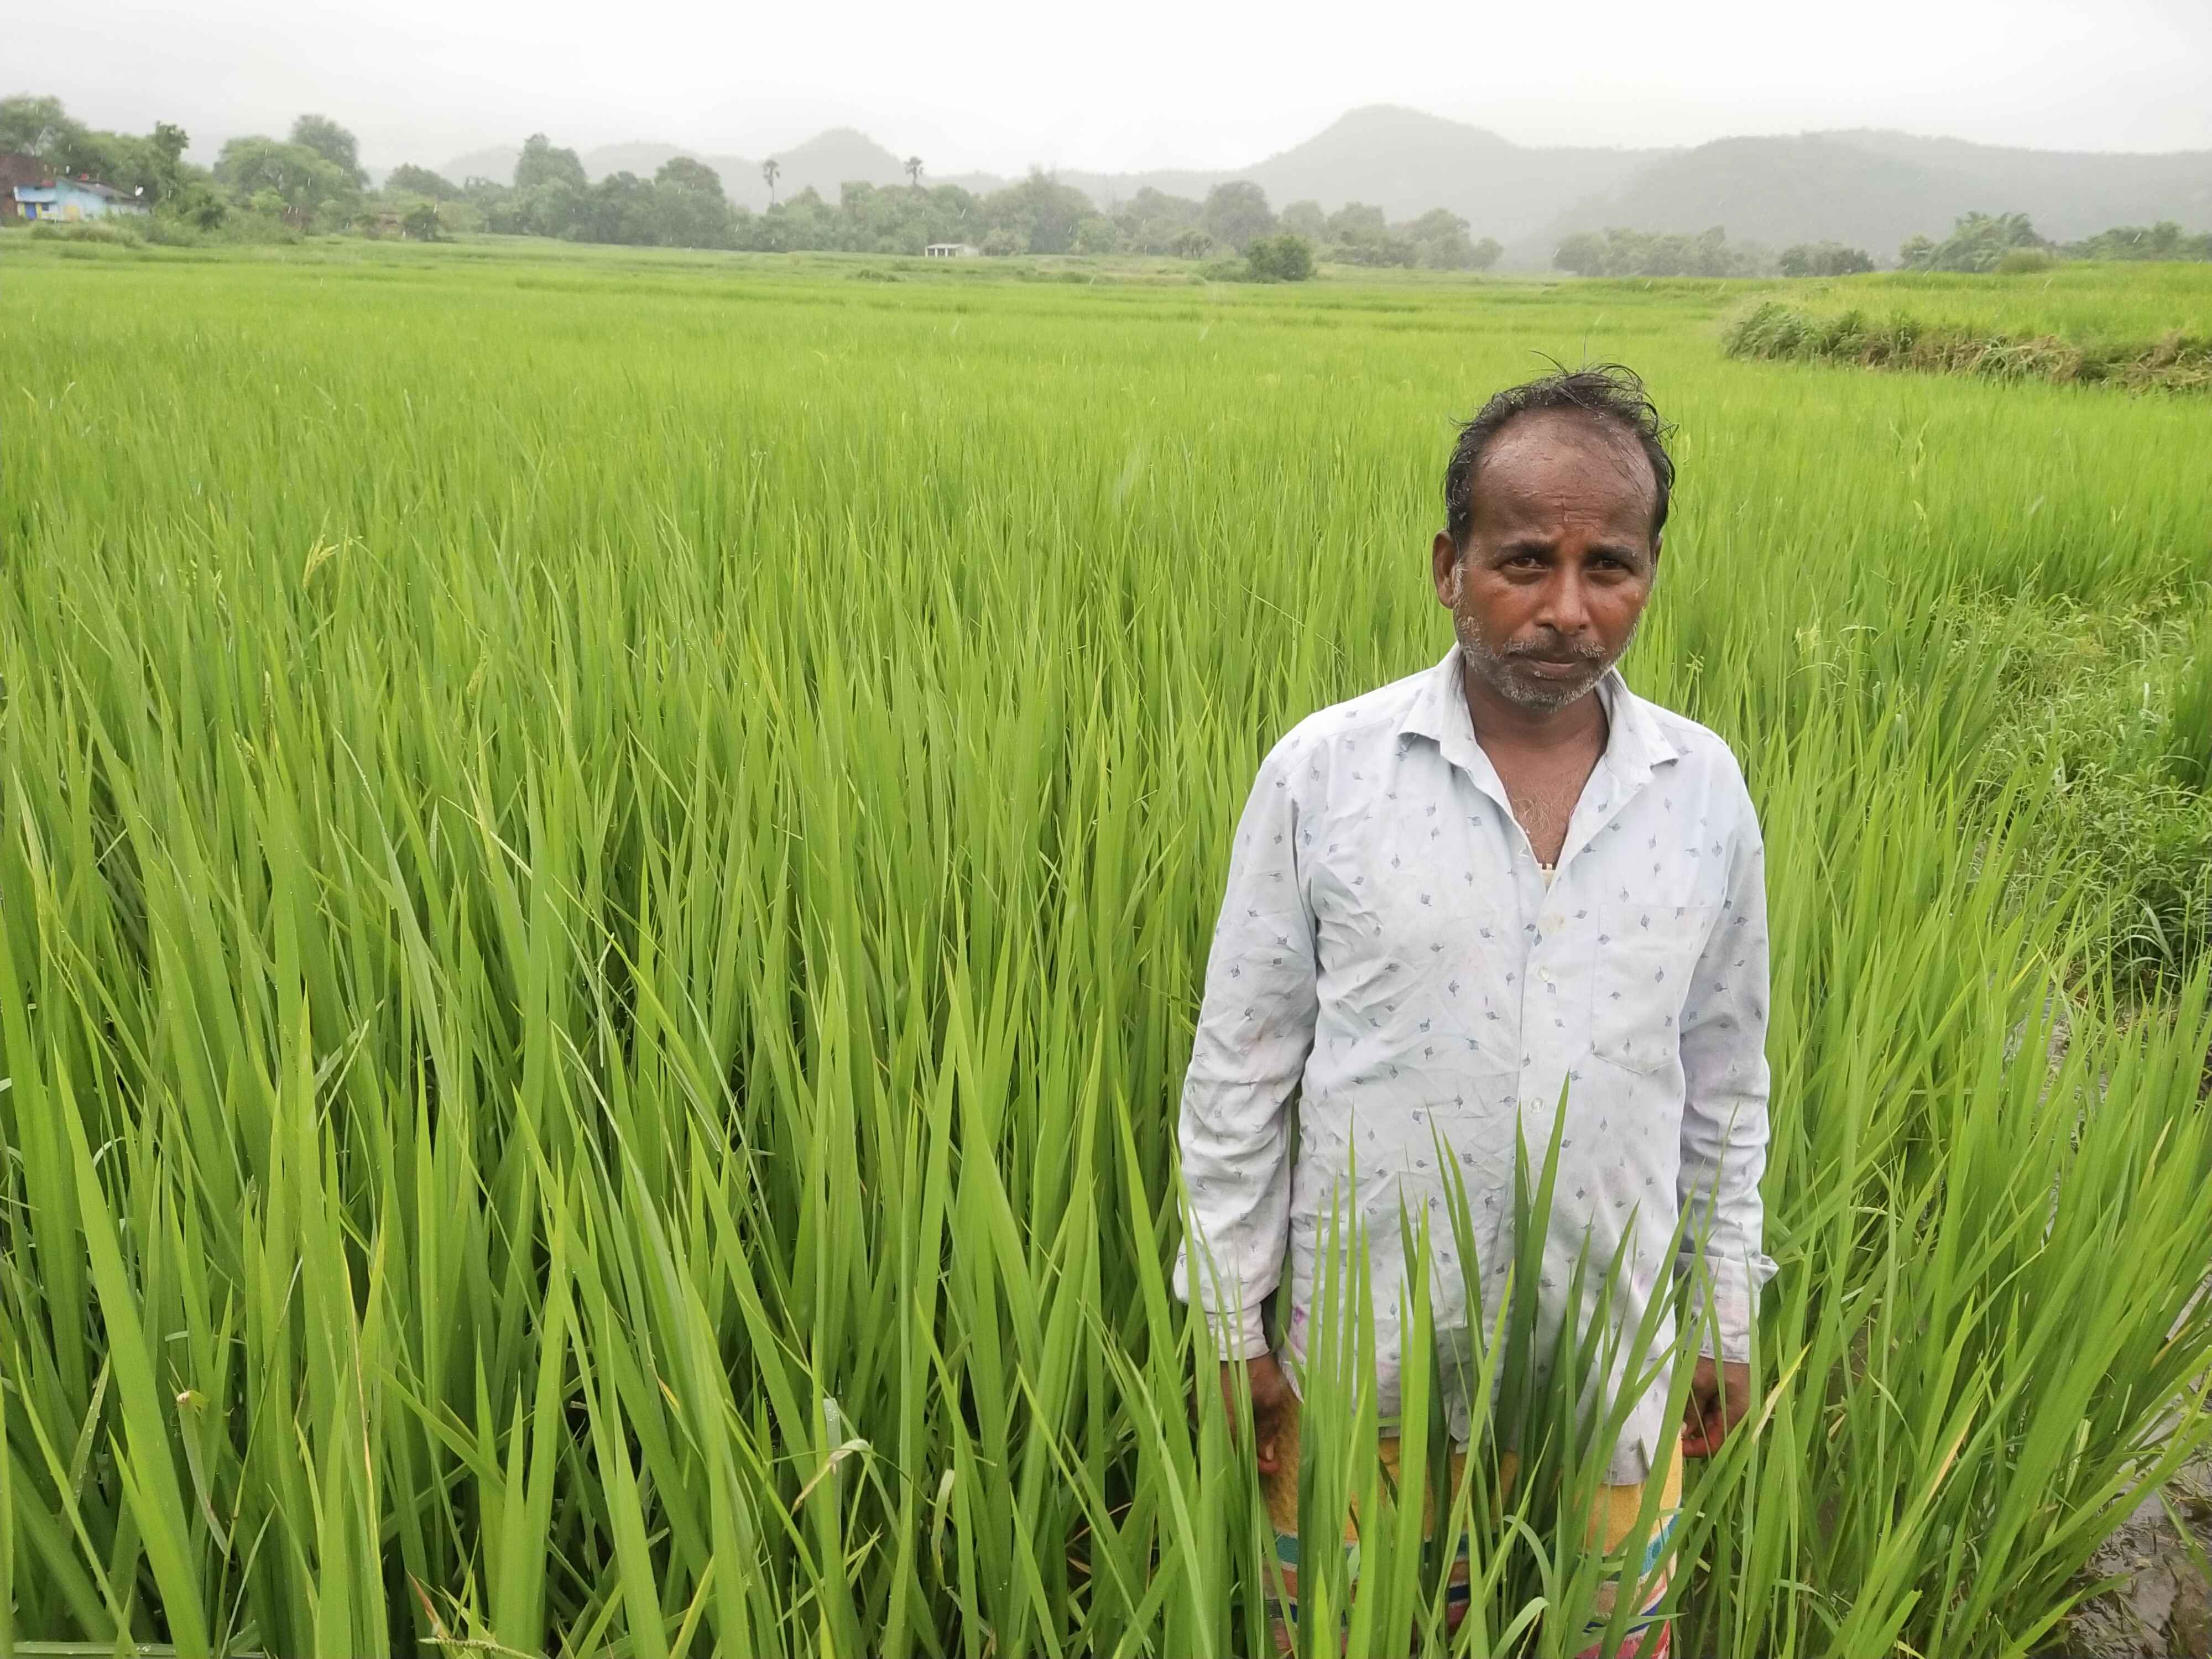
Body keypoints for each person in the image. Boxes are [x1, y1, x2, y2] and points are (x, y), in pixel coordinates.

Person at [1174, 366, 1774, 1657]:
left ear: (1648, 574)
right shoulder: (1325, 773)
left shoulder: (1702, 789)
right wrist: (1230, 1325)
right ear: (1448, 566)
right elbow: (1241, 1070)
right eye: (1522, 562)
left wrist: (1725, 1317)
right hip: (1368, 1352)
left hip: (1605, 1356)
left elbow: (1724, 1077)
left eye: (1607, 566)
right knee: (1348, 1633)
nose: (1565, 609)